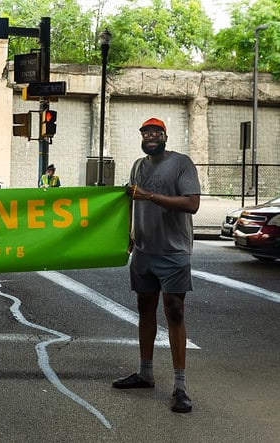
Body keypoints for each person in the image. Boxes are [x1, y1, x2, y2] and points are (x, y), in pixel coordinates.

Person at [112, 118, 200, 414]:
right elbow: (131, 202)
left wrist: (149, 195)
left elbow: (192, 204)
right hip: (144, 251)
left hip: (174, 251)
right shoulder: (138, 165)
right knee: (144, 308)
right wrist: (128, 234)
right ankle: (145, 373)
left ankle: (180, 386)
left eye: (155, 132)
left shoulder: (181, 163)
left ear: (165, 136)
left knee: (174, 311)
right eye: (145, 132)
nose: (150, 136)